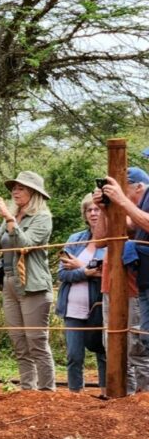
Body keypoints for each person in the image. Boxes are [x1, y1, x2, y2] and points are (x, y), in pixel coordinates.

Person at [0, 171, 55, 391]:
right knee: (19, 343)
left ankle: (46, 391)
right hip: (11, 283)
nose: (14, 191)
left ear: (34, 193)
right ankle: (27, 390)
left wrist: (9, 218)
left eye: (20, 188)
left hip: (33, 285)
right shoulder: (12, 218)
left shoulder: (42, 218)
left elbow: (25, 245)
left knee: (36, 342)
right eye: (13, 187)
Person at [93, 167, 149, 392]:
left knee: (139, 347)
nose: (117, 192)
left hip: (133, 287)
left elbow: (137, 225)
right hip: (111, 285)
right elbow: (99, 241)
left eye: (122, 187)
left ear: (139, 187)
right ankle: (123, 398)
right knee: (114, 345)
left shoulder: (139, 208)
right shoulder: (127, 212)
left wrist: (122, 202)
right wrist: (104, 208)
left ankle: (143, 397)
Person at [57, 193, 106, 393]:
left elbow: (109, 274)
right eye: (89, 210)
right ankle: (75, 395)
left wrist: (78, 267)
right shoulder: (75, 239)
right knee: (74, 355)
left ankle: (106, 392)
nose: (93, 213)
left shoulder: (112, 239)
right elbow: (62, 273)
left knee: (103, 351)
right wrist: (86, 271)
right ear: (84, 214)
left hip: (100, 306)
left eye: (97, 209)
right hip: (72, 306)